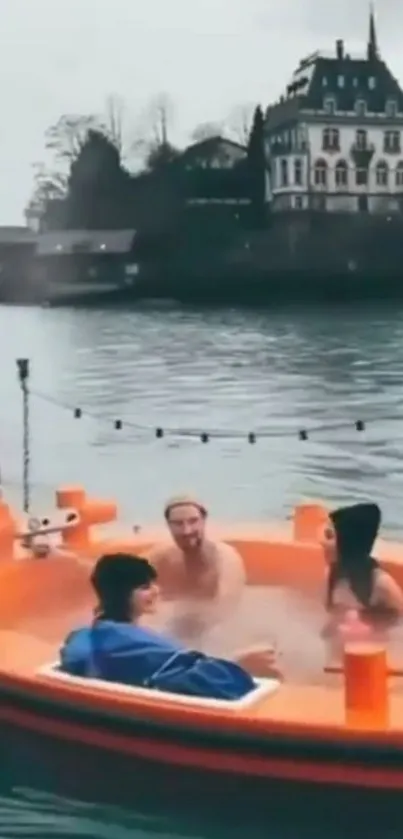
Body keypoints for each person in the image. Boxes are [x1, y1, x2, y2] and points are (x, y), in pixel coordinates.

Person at [60, 553, 280, 700]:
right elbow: (200, 683)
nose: (156, 591)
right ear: (122, 594)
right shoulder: (133, 643)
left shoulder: (94, 633)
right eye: (145, 587)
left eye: (153, 583)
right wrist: (241, 664)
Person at [146, 496, 245, 642]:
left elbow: (227, 612)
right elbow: (121, 582)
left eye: (193, 521)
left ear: (204, 521)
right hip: (173, 626)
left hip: (214, 632)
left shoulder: (226, 560)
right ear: (168, 525)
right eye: (178, 524)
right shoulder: (161, 556)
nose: (187, 531)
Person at [320, 502, 403, 640]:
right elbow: (330, 620)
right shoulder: (330, 575)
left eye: (329, 536)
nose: (322, 542)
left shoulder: (381, 584)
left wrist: (369, 623)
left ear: (348, 542)